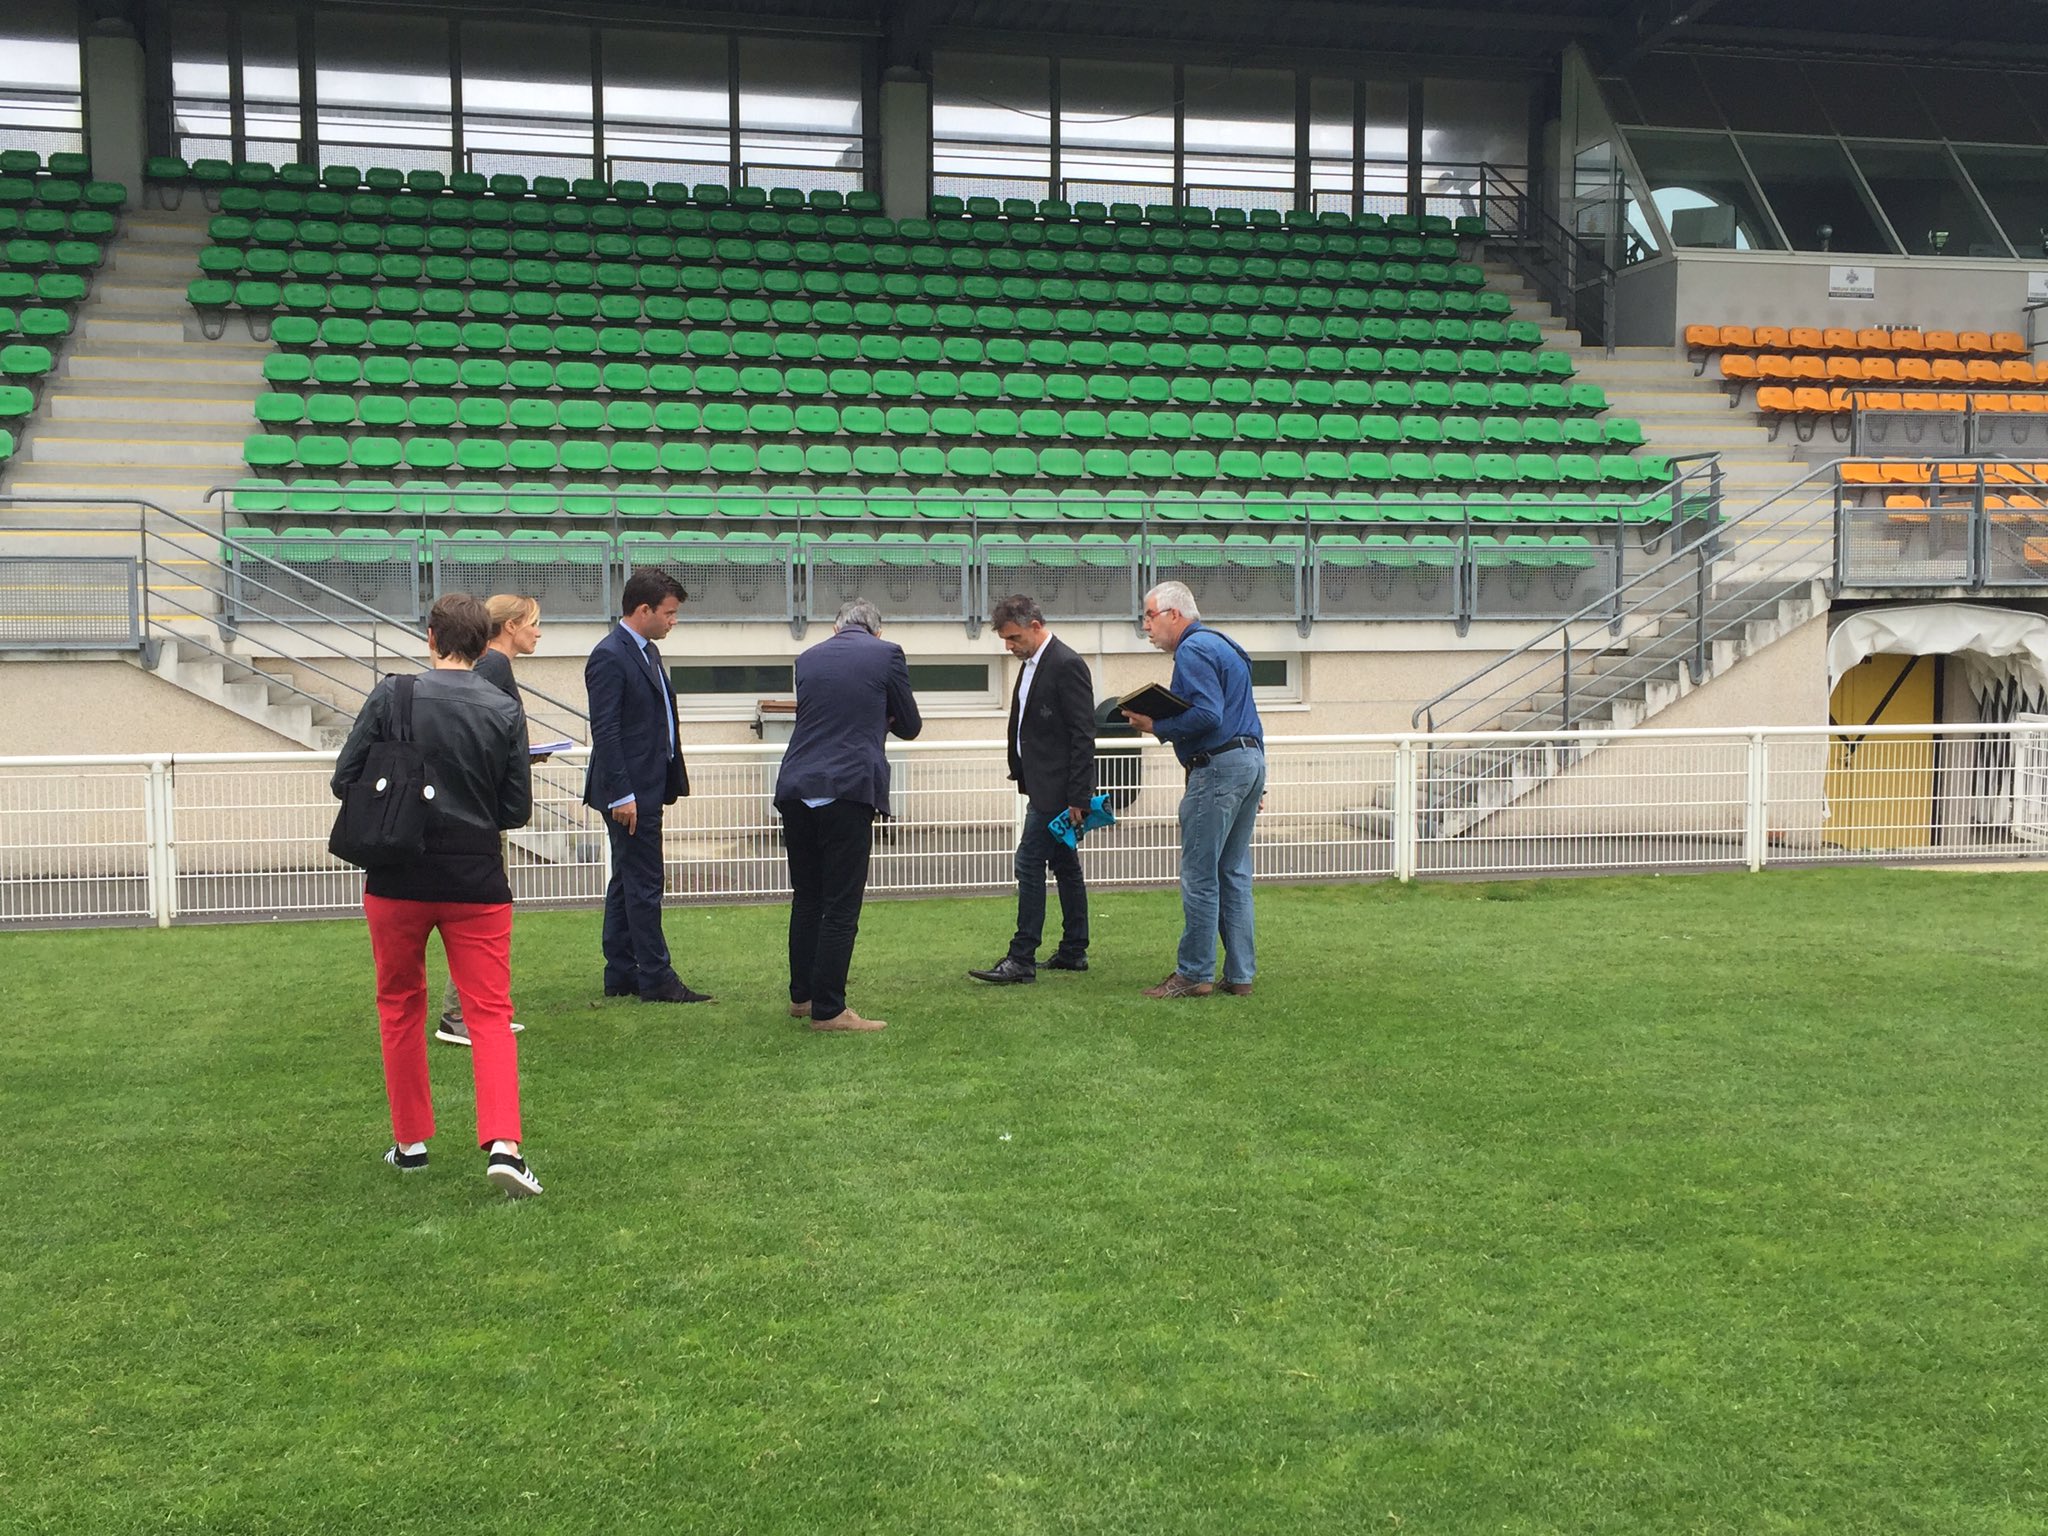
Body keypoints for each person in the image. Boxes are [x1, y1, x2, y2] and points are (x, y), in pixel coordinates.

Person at [331, 592, 543, 1197]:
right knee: (490, 1013)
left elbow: (344, 779)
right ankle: (504, 1142)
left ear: (430, 636)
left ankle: (410, 1142)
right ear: (485, 643)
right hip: (475, 875)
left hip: (396, 873)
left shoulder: (391, 694)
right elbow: (516, 809)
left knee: (400, 1004)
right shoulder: (502, 706)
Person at [773, 598, 922, 1032]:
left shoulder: (807, 657)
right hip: (849, 787)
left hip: (797, 786)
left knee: (808, 897)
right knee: (841, 904)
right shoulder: (887, 653)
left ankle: (802, 997)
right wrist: (884, 715)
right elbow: (910, 725)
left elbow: (824, 714)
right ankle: (830, 1010)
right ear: (877, 632)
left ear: (836, 630)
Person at [1120, 581, 1265, 1001]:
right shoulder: (1227, 646)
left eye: (1149, 615)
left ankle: (1194, 973)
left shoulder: (1193, 649)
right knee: (1233, 873)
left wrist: (1155, 725)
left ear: (1174, 615)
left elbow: (1206, 713)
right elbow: (1245, 716)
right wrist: (1257, 777)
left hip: (1217, 767)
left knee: (1200, 874)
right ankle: (1240, 975)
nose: (1145, 625)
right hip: (1248, 760)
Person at [583, 570, 712, 1005]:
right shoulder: (610, 655)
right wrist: (622, 794)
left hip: (647, 786)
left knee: (626, 880)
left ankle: (621, 971)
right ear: (644, 610)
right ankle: (656, 976)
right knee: (644, 881)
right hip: (629, 792)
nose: (674, 620)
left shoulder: (646, 652)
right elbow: (606, 729)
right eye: (669, 613)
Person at [969, 594, 1097, 985]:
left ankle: (1021, 957)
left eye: (1013, 637)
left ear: (1035, 626)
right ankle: (1074, 949)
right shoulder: (1033, 664)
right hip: (1041, 782)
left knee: (1028, 863)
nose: (1009, 646)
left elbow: (1082, 733)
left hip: (1056, 789)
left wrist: (1078, 795)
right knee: (1063, 865)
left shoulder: (1066, 664)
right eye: (1005, 639)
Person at [435, 592, 541, 1047]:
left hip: (476, 803)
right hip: (482, 810)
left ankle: (465, 1013)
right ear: (512, 624)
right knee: (480, 916)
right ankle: (461, 1015)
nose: (538, 632)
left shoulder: (489, 667)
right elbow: (494, 734)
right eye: (533, 623)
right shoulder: (494, 668)